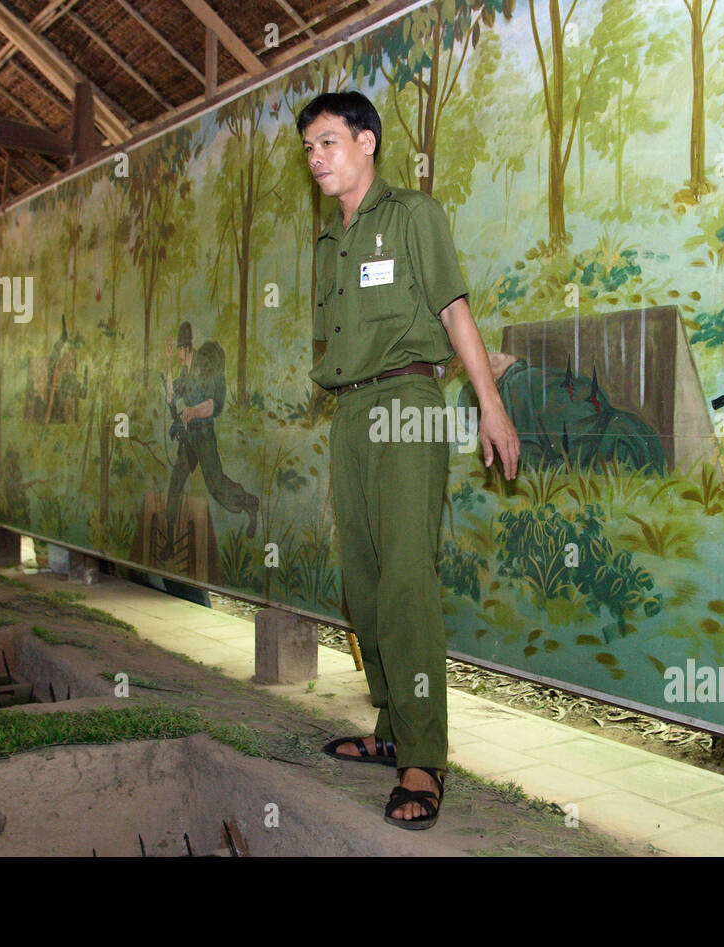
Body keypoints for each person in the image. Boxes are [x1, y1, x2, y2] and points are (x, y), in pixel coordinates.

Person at [297, 91, 519, 829]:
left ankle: (423, 755)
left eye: (328, 141)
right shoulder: (330, 242)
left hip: (407, 402)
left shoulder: (414, 217)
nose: (317, 157)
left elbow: (455, 309)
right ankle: (390, 722)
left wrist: (489, 403)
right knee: (362, 582)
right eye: (309, 148)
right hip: (352, 413)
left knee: (407, 579)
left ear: (366, 142)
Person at [459, 351, 667, 474]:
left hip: (616, 451)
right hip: (636, 437)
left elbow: (536, 468)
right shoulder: (527, 378)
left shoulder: (515, 393)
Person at [163, 321, 258, 556]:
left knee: (216, 485)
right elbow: (170, 396)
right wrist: (167, 362)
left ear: (186, 348)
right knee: (175, 484)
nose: (178, 357)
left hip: (203, 435)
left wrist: (189, 413)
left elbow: (212, 405)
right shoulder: (185, 372)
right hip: (188, 438)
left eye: (178, 352)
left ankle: (249, 503)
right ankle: (169, 540)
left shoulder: (204, 367)